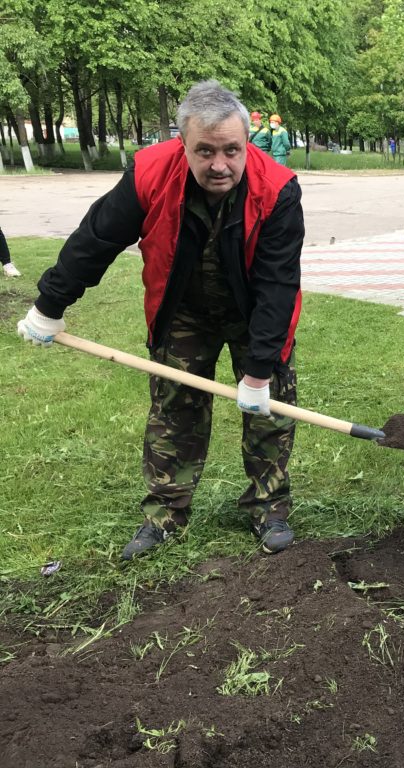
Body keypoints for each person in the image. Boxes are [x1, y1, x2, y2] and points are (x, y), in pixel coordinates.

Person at [16, 80, 305, 560]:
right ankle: (165, 515)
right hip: (183, 307)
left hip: (255, 310)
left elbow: (278, 287)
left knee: (268, 409)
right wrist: (50, 305)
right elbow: (96, 240)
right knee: (175, 410)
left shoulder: (277, 190)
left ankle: (268, 507)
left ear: (247, 143)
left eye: (232, 150)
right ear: (182, 143)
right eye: (205, 151)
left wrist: (258, 373)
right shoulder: (149, 173)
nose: (219, 164)